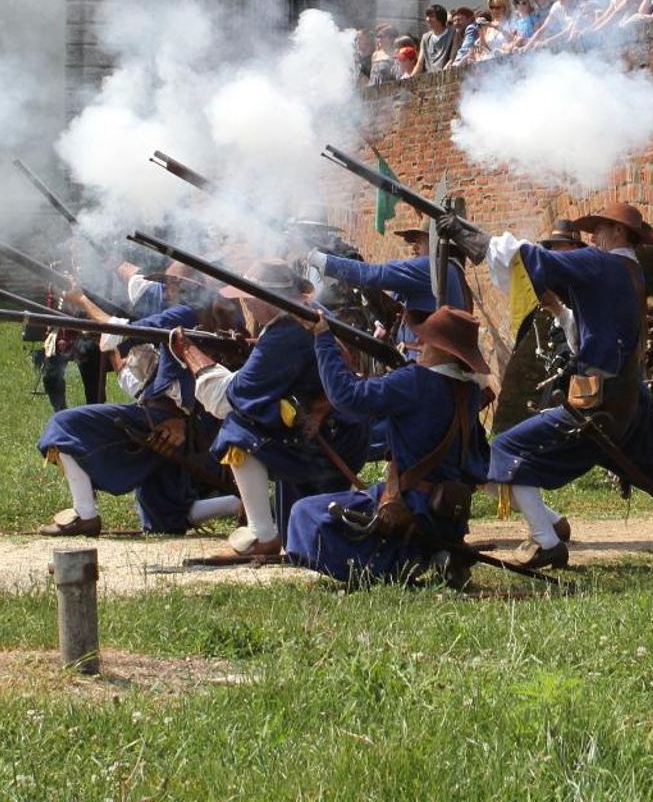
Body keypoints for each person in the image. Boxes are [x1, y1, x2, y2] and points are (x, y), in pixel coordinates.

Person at [465, 202, 653, 568]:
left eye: (601, 229)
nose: (593, 237)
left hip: (598, 401)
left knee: (506, 449)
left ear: (620, 232)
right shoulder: (629, 270)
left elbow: (532, 258)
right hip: (629, 399)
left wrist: (480, 241)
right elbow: (582, 315)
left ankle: (546, 540)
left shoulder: (604, 264)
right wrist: (559, 306)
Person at [285, 307, 493, 587]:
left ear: (442, 349)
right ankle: (432, 555)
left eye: (427, 340)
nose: (420, 345)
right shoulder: (469, 391)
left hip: (411, 506)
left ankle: (389, 566)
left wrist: (323, 338)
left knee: (305, 514)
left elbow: (346, 397)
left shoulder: (415, 381)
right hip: (448, 512)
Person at [34, 267, 245, 536]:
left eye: (170, 285)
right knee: (162, 516)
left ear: (181, 288)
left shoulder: (183, 314)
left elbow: (120, 331)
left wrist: (81, 301)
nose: (165, 291)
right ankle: (245, 504)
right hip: (194, 423)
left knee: (63, 425)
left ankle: (85, 514)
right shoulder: (215, 318)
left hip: (162, 418)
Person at [194, 260, 371, 561]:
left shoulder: (285, 333)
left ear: (268, 298)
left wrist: (190, 355)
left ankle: (261, 534)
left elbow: (230, 398)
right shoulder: (300, 315)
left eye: (250, 299)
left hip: (329, 441)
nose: (246, 306)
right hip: (335, 430)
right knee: (299, 544)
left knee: (238, 427)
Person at [309, 230, 470, 361]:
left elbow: (376, 274)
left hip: (425, 368)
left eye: (420, 242)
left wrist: (319, 260)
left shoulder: (433, 268)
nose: (414, 248)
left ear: (437, 242)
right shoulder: (451, 271)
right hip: (429, 364)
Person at [418, 5, 456, 74]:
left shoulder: (453, 34)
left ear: (440, 18)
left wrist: (442, 75)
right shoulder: (425, 37)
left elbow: (452, 59)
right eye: (427, 16)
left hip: (445, 76)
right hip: (429, 78)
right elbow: (420, 63)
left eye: (432, 16)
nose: (428, 19)